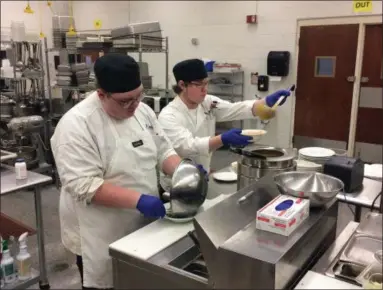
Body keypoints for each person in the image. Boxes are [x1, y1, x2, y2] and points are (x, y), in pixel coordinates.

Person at [51, 54, 185, 289]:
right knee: (108, 280)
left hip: (141, 221)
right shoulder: (77, 125)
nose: (134, 105)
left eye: (138, 96)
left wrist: (183, 171)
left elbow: (163, 150)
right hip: (101, 228)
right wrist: (140, 200)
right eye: (125, 101)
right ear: (101, 94)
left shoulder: (142, 111)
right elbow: (85, 185)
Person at [158, 58, 291, 191]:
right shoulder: (169, 116)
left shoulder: (207, 103)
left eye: (206, 83)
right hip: (177, 184)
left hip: (203, 176)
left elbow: (235, 109)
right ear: (182, 85)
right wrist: (222, 139)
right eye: (199, 85)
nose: (205, 89)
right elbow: (188, 146)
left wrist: (266, 102)